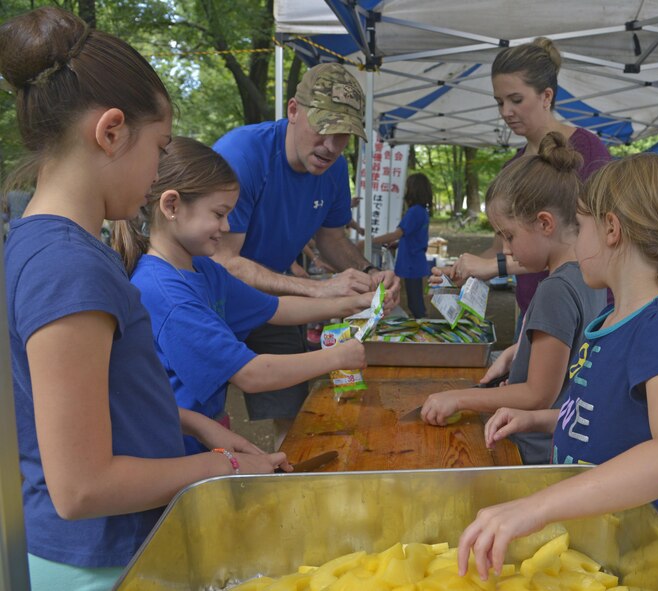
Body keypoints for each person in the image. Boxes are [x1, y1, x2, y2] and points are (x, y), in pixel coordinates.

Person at [0, 8, 289, 590]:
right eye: (159, 148)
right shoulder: (67, 266)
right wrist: (221, 468)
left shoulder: (57, 248)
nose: (159, 171)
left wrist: (195, 425)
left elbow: (85, 406)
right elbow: (82, 485)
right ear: (110, 132)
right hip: (100, 562)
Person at [456, 153, 658, 580]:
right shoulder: (606, 322)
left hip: (635, 552)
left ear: (610, 230)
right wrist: (536, 418)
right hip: (593, 541)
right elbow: (602, 416)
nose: (576, 240)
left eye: (581, 226)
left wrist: (537, 507)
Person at [113, 137, 371, 455]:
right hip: (172, 451)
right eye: (219, 213)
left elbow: (275, 308)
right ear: (172, 206)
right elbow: (250, 375)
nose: (228, 225)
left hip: (204, 438)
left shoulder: (204, 270)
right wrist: (336, 357)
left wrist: (355, 303)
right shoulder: (167, 295)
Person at [212, 62, 400, 437]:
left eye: (344, 134)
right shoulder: (243, 155)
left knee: (295, 415)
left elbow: (332, 239)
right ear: (294, 110)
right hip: (214, 300)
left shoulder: (332, 172)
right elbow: (223, 263)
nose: (331, 146)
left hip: (275, 301)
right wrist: (318, 288)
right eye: (324, 129)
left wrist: (367, 274)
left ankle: (287, 474)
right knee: (205, 417)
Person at [420, 133, 606, 465]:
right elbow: (570, 351)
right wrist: (521, 352)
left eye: (509, 235)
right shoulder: (589, 275)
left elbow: (537, 395)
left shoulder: (555, 290)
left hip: (531, 453)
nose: (506, 251)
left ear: (545, 223)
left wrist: (457, 399)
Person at [431, 37, 611, 340]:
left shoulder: (589, 151)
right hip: (533, 314)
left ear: (546, 96)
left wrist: (496, 267)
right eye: (499, 102)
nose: (505, 111)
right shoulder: (512, 167)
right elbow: (500, 246)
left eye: (515, 99)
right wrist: (463, 269)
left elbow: (598, 244)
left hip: (584, 317)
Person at [363, 173, 433, 318]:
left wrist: (370, 241)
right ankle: (420, 323)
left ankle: (422, 331)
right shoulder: (422, 211)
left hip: (411, 262)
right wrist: (397, 244)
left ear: (413, 190)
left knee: (415, 304)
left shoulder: (414, 212)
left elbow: (397, 233)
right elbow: (413, 235)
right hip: (416, 260)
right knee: (415, 300)